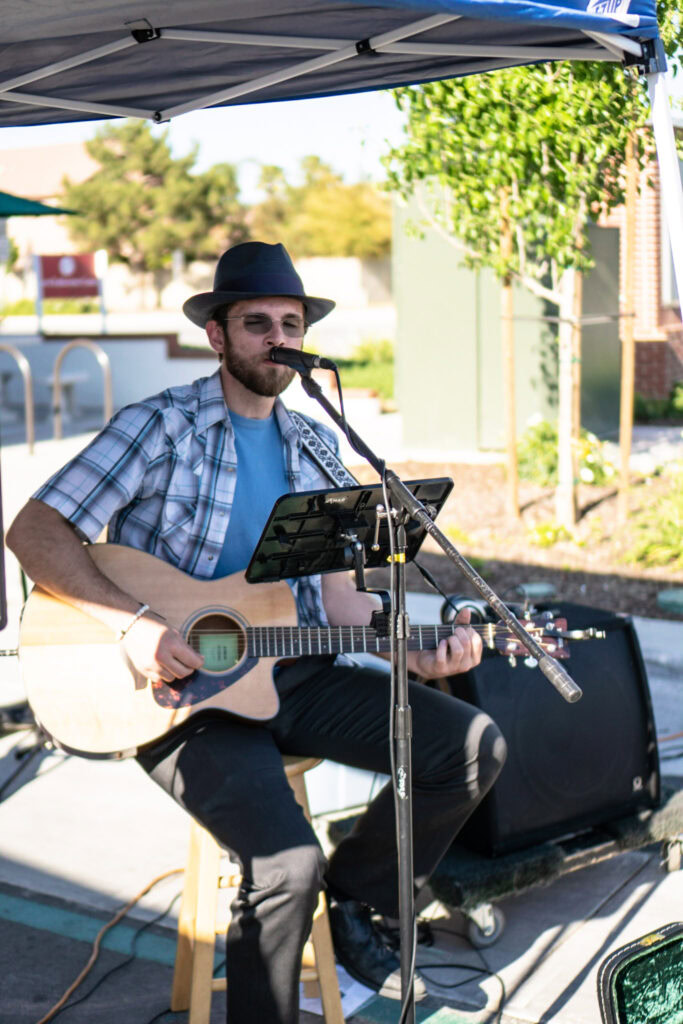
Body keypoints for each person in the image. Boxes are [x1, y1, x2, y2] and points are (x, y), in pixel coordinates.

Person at [7, 241, 506, 1023]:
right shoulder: (161, 427)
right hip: (173, 695)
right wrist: (133, 623)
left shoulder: (317, 446)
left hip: (289, 669)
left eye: (290, 323)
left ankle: (353, 909)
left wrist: (416, 647)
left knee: (471, 746)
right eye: (256, 323)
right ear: (217, 335)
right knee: (283, 865)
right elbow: (33, 530)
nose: (278, 337)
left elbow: (341, 608)